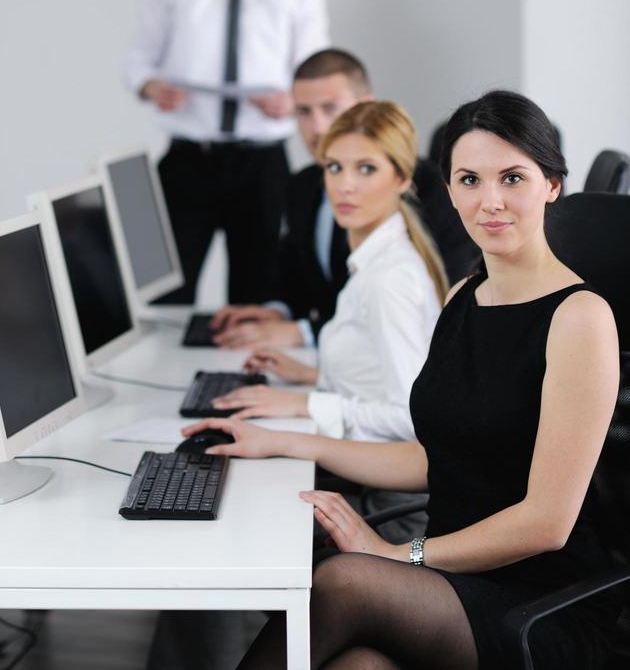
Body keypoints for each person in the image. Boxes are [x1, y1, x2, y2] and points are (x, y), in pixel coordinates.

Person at [184, 89, 620, 670]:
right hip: (443, 586)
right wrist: (281, 440)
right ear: (448, 191)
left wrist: (400, 555)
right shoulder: (467, 296)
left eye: (512, 178)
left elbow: (547, 523)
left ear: (552, 184)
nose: (490, 201)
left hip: (538, 605)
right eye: (470, 180)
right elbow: (430, 458)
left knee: (343, 582)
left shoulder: (580, 318)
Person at [123, 0, 329, 305]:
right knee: (165, 296)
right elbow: (138, 59)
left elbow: (317, 74)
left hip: (262, 163)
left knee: (255, 298)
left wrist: (292, 101)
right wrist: (151, 85)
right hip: (188, 160)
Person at [212, 100, 446, 444]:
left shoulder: (388, 280)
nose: (344, 185)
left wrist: (304, 403)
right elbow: (377, 380)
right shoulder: (371, 264)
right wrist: (314, 376)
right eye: (334, 167)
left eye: (366, 169)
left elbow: (412, 418)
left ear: (402, 178)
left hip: (375, 482)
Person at [210, 48, 478, 349]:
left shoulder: (433, 191)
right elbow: (295, 270)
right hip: (333, 366)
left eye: (330, 108)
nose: (317, 127)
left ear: (366, 107)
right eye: (304, 111)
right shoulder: (303, 185)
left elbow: (431, 312)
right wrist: (276, 311)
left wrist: (305, 332)